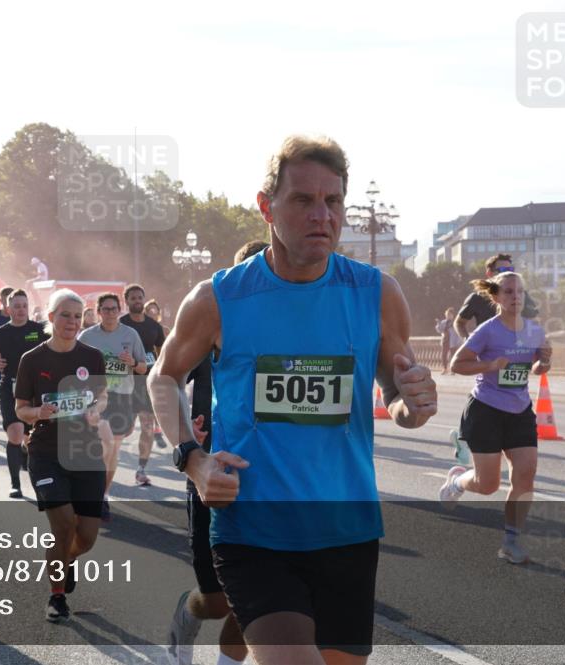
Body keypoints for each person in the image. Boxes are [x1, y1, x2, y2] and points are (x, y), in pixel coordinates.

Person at [149, 135, 437, 665]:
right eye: (303, 200)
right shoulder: (217, 298)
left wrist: (413, 405)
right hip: (253, 529)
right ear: (267, 207)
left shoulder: (378, 294)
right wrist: (192, 459)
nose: (322, 215)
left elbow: (398, 396)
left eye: (333, 201)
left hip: (347, 529)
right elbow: (163, 377)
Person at [168, 240, 267, 665]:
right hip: (213, 469)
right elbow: (168, 378)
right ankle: (186, 614)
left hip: (269, 475)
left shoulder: (294, 332)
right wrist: (186, 435)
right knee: (216, 601)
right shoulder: (211, 324)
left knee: (257, 595)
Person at [441, 271, 550, 564]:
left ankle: (511, 542)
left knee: (525, 473)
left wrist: (545, 360)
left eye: (520, 291)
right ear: (496, 297)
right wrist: (489, 365)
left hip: (520, 411)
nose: (515, 297)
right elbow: (457, 364)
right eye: (508, 292)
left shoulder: (534, 330)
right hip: (486, 409)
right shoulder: (487, 331)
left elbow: (537, 367)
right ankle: (456, 483)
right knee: (487, 485)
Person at [14, 289, 107, 623]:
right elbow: (20, 409)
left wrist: (96, 409)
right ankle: (56, 596)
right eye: (65, 315)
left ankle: (65, 560)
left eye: (78, 316)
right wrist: (38, 412)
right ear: (51, 317)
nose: (72, 322)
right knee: (64, 525)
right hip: (46, 453)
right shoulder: (32, 359)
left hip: (85, 451)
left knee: (87, 538)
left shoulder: (92, 356)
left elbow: (102, 395)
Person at [79, 292, 146, 516]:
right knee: (104, 445)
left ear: (120, 310)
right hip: (97, 397)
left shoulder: (130, 334)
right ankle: (93, 489)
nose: (110, 313)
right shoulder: (87, 336)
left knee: (114, 448)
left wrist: (132, 362)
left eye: (114, 309)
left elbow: (143, 367)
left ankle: (103, 495)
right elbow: (75, 366)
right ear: (98, 312)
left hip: (122, 397)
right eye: (106, 309)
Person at [0, 289, 49, 498]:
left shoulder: (39, 330)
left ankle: (37, 476)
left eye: (24, 306)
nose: (21, 310)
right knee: (15, 432)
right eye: (16, 306)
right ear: (8, 309)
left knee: (32, 439)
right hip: (9, 388)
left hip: (35, 390)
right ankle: (16, 484)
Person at [120, 284, 165, 481]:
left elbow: (163, 354)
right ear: (126, 301)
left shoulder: (154, 326)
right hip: (125, 383)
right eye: (133, 298)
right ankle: (108, 459)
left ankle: (141, 469)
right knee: (125, 429)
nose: (137, 301)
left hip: (146, 383)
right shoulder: (120, 324)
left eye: (140, 297)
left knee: (147, 426)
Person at [455, 254, 538, 339]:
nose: (507, 274)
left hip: (515, 345)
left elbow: (533, 319)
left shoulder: (521, 294)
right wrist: (468, 340)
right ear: (489, 273)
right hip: (487, 346)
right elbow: (459, 323)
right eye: (503, 270)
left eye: (510, 270)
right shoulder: (477, 297)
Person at [435, 308, 462, 374]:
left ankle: (452, 369)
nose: (448, 316)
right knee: (443, 355)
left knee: (452, 356)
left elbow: (458, 333)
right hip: (445, 340)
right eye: (447, 314)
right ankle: (444, 368)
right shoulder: (444, 322)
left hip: (453, 341)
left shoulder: (455, 322)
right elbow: (439, 330)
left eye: (449, 314)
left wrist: (458, 342)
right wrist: (438, 324)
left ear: (452, 315)